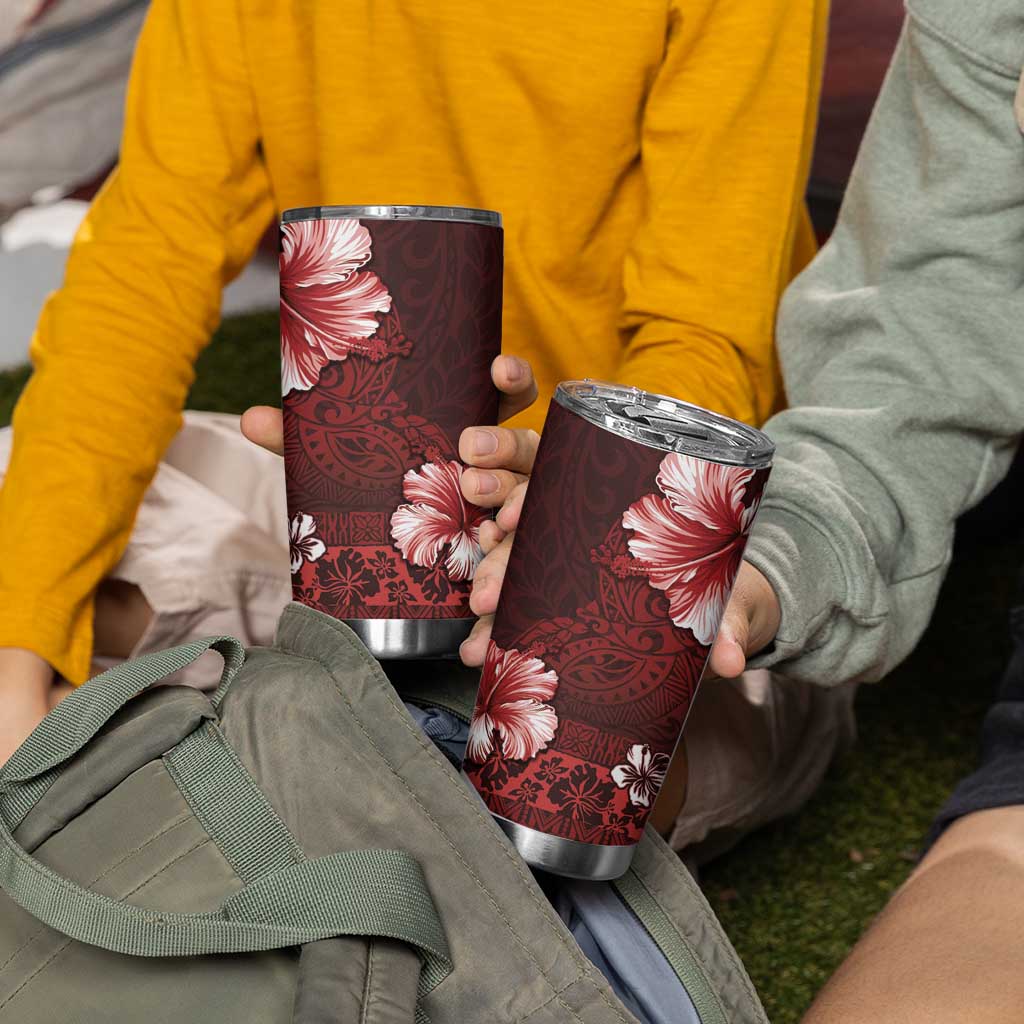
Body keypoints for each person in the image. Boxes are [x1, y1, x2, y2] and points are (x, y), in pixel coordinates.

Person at [0, 0, 828, 766]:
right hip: (354, 521)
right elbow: (142, 274)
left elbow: (705, 346)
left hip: (629, 527)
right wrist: (17, 650)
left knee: (585, 736)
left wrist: (562, 550)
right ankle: (268, 734)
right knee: (25, 508)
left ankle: (312, 754)